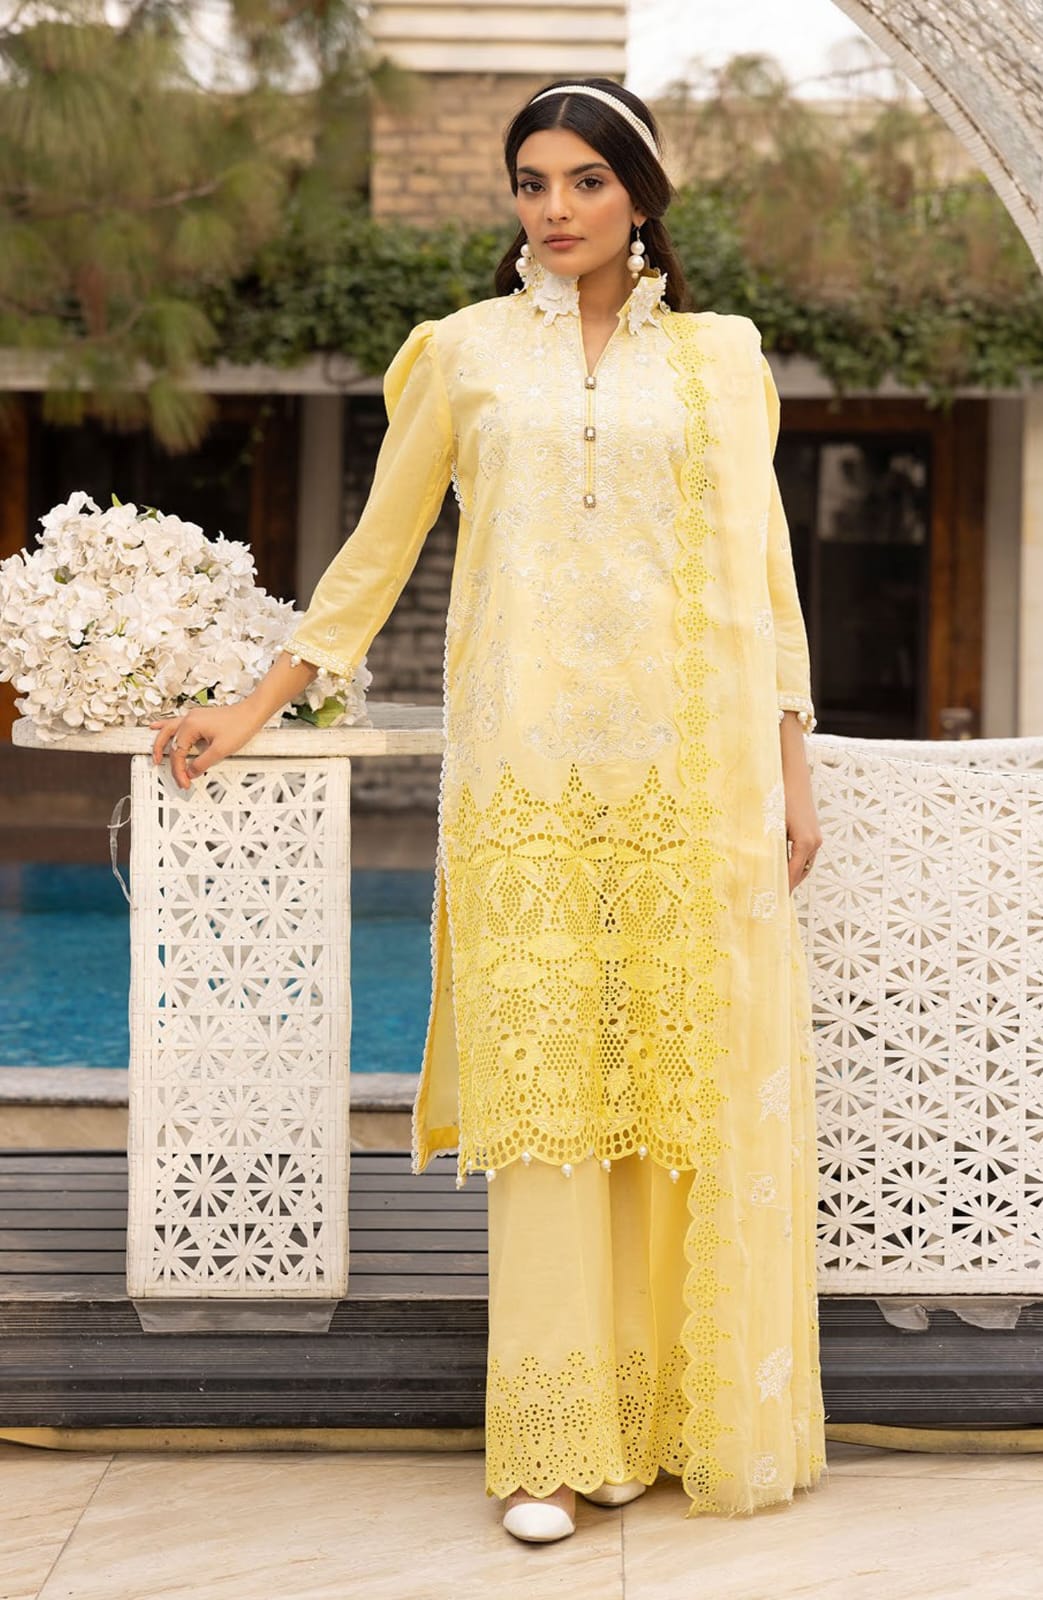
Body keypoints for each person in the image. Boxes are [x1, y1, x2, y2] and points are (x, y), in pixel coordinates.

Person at [151, 77, 827, 1544]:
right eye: (533, 183)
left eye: (587, 180)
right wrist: (255, 703)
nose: (557, 208)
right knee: (547, 1112)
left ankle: (661, 1417)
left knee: (671, 1106)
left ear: (641, 195)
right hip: (524, 783)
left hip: (690, 782)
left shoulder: (723, 358)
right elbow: (375, 557)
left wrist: (794, 759)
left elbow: (765, 573)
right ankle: (547, 1442)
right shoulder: (459, 356)